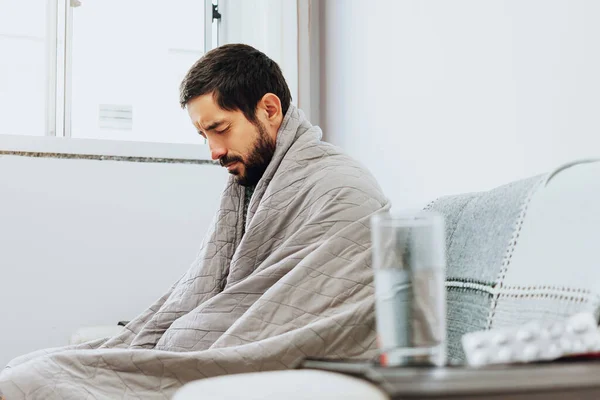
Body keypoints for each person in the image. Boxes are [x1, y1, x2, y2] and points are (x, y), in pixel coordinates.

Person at [0, 44, 390, 399]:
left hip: (264, 359)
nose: (214, 151)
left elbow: (293, 321)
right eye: (203, 135)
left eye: (220, 129)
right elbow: (213, 292)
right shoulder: (252, 182)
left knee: (31, 383)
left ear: (269, 110)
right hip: (210, 344)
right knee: (27, 369)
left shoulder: (345, 190)